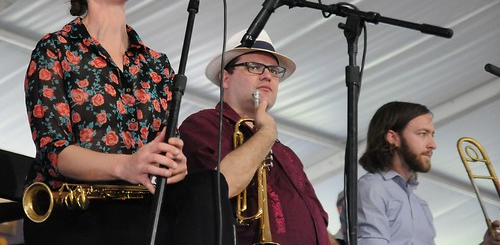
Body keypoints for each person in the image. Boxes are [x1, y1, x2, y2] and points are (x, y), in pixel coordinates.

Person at [23, 0, 234, 245]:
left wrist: (174, 163)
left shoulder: (156, 63)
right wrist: (126, 164)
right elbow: (55, 152)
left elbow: (163, 148)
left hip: (138, 208)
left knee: (209, 185)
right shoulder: (56, 49)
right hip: (74, 209)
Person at [179, 29, 336, 245]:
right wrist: (266, 134)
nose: (267, 75)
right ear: (225, 78)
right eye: (254, 67)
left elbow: (317, 221)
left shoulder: (285, 152)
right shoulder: (203, 125)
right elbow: (222, 185)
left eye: (273, 70)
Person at [356, 101, 500, 245]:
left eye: (432, 135)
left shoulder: (420, 204)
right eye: (422, 134)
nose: (433, 145)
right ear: (393, 138)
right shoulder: (372, 187)